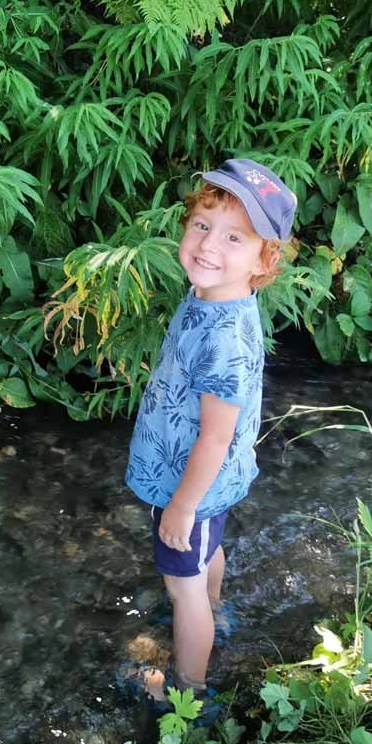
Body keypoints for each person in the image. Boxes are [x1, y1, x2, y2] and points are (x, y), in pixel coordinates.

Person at [124, 158, 297, 704]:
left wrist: (180, 506)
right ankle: (215, 603)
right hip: (204, 483)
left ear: (263, 261)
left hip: (190, 483)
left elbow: (214, 439)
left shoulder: (224, 339)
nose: (208, 246)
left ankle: (188, 691)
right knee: (206, 551)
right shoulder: (218, 297)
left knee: (183, 589)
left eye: (234, 238)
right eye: (202, 224)